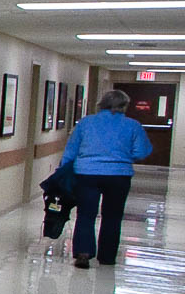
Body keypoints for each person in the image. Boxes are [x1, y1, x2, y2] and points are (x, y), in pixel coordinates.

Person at [59, 89, 153, 268]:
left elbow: (71, 150)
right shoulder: (132, 125)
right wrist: (125, 156)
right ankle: (107, 256)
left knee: (86, 215)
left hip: (87, 174)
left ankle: (83, 253)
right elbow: (142, 151)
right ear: (124, 106)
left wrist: (63, 171)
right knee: (113, 216)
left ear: (101, 104)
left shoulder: (86, 123)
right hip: (119, 175)